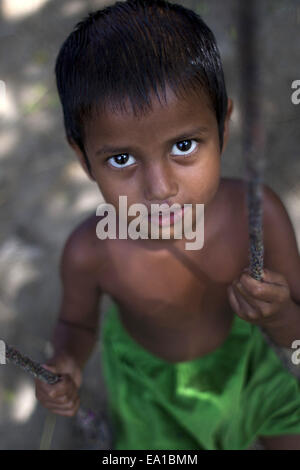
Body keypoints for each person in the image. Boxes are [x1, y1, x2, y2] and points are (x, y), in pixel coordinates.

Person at [35, 0, 300, 450]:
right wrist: (68, 361)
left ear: (223, 128)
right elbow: (77, 326)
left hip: (246, 363)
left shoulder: (258, 214)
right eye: (121, 159)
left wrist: (279, 317)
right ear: (84, 159)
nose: (159, 188)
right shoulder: (90, 251)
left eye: (183, 145)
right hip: (149, 389)